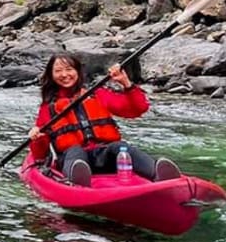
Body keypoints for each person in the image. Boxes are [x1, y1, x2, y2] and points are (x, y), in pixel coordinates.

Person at [27, 53, 181, 187]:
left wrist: (126, 83)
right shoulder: (48, 107)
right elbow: (41, 155)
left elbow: (138, 109)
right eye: (58, 71)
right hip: (71, 160)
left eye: (69, 69)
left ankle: (158, 172)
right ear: (51, 76)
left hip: (104, 155)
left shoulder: (98, 94)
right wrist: (36, 138)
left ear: (78, 72)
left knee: (120, 147)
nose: (65, 74)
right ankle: (77, 180)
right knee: (75, 151)